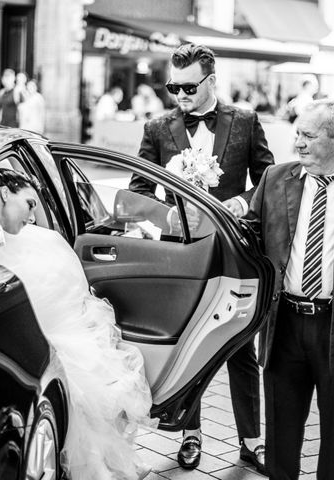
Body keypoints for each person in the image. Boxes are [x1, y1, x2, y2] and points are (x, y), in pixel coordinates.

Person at [129, 42, 274, 474]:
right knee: (189, 346)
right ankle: (190, 435)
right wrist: (166, 211)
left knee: (240, 348)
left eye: (189, 87)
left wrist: (245, 204)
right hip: (184, 254)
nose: (181, 96)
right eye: (174, 87)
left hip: (234, 252)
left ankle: (252, 441)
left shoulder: (245, 121)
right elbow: (138, 191)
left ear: (211, 81)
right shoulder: (158, 127)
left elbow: (268, 180)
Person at [0, 168, 154, 479]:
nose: (33, 217)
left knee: (80, 385)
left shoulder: (16, 235)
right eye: (31, 203)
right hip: (16, 342)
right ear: (5, 192)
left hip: (31, 340)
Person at [245, 100, 334, 480]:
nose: (296, 144)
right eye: (296, 133)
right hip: (283, 323)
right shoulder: (274, 178)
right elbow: (247, 237)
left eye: (307, 135)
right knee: (281, 438)